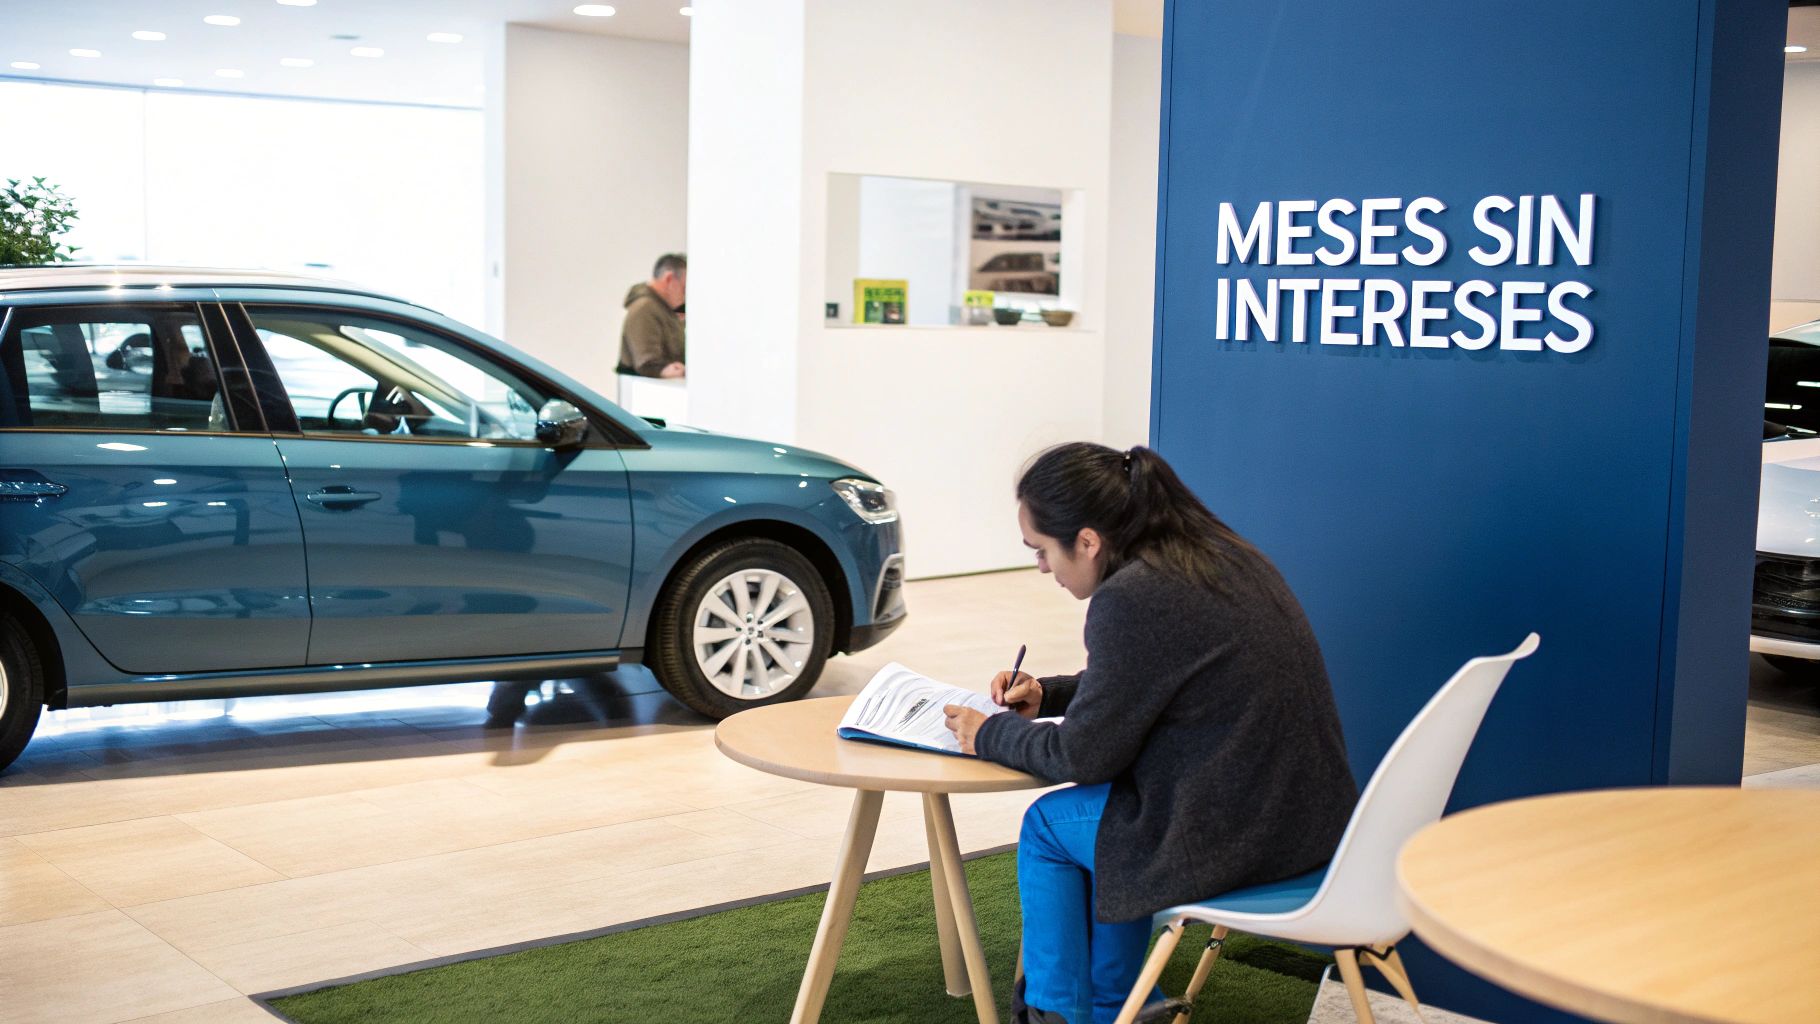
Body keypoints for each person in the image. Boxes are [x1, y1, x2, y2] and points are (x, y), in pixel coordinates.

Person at [942, 442, 1358, 1024]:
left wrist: (988, 734)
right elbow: (1151, 675)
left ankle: (1056, 1013)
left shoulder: (1132, 598)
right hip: (1312, 824)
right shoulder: (1216, 555)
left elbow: (1083, 756)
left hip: (1243, 836)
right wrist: (1053, 694)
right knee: (1114, 819)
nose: (1041, 569)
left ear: (1087, 541)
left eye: (1041, 552)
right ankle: (1113, 1008)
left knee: (1049, 826)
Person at [618, 253, 687, 379]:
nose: (685, 297)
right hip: (646, 393)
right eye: (684, 288)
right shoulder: (645, 308)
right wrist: (667, 370)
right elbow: (647, 364)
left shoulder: (663, 309)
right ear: (669, 279)